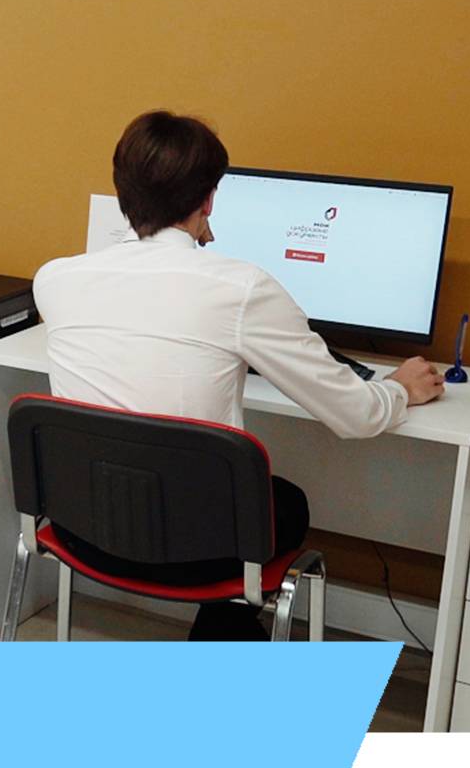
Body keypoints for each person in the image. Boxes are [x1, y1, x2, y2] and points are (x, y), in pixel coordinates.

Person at [32, 110, 446, 638]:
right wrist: (399, 388)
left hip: (81, 531)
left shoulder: (55, 280)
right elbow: (356, 416)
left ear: (122, 193)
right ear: (209, 200)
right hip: (197, 554)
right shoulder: (242, 289)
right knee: (286, 504)